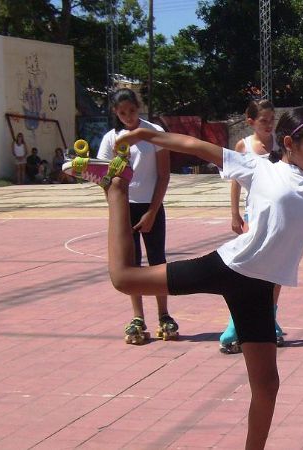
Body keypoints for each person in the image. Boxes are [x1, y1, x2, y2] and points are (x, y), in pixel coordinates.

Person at [67, 60, 303, 450]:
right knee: (123, 279)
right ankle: (114, 188)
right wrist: (145, 134)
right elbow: (196, 146)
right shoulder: (258, 167)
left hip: (259, 291)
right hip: (228, 267)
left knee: (268, 387)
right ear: (289, 144)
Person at [97, 88, 176, 345]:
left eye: (132, 111)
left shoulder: (153, 133)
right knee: (131, 264)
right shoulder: (112, 139)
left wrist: (152, 211)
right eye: (122, 113)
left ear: (138, 107)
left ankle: (164, 314)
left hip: (150, 206)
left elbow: (163, 175)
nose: (128, 117)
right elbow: (103, 178)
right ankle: (137, 316)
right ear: (115, 113)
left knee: (157, 262)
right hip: (125, 209)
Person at [220, 99, 285, 354]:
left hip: (279, 215)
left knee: (277, 270)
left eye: (272, 120)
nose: (269, 125)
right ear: (251, 121)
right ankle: (236, 323)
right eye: (263, 121)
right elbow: (235, 180)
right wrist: (235, 213)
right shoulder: (243, 146)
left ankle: (270, 318)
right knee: (247, 269)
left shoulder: (281, 143)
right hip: (254, 214)